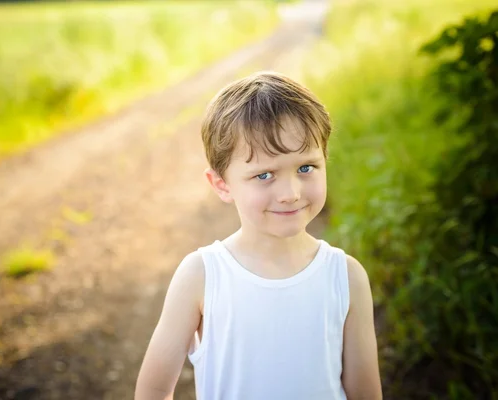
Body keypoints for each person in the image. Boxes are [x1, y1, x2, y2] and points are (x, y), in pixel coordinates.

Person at [135, 71, 382, 399]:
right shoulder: (202, 276)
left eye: (305, 168)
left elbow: (365, 393)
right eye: (264, 175)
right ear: (222, 184)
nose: (290, 193)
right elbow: (153, 390)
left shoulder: (346, 277)